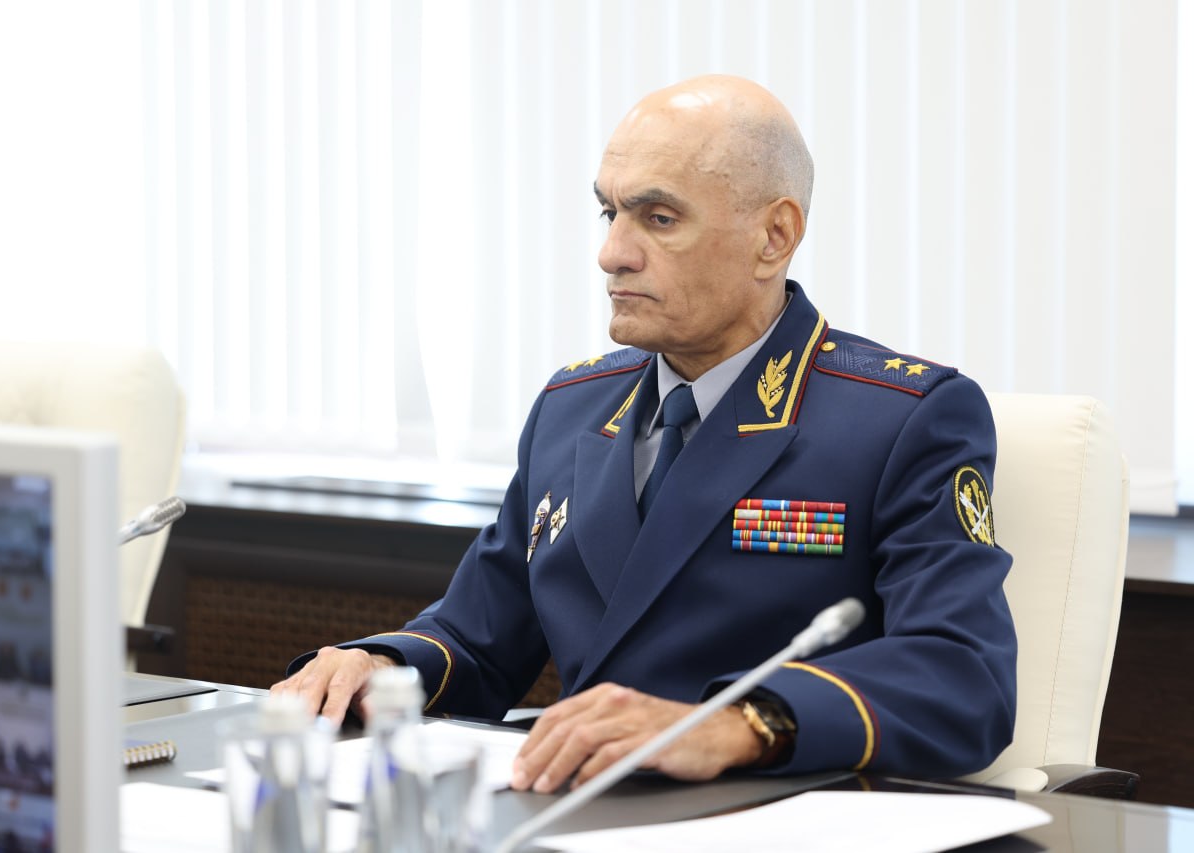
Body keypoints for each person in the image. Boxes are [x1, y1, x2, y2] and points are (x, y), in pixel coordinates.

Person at [273, 74, 1017, 793]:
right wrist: (380, 664)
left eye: (659, 218)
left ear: (774, 235)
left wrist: (737, 724)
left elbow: (964, 675)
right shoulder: (572, 406)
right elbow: (476, 638)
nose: (612, 254)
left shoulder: (900, 418)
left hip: (766, 815)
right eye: (609, 213)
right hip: (573, 809)